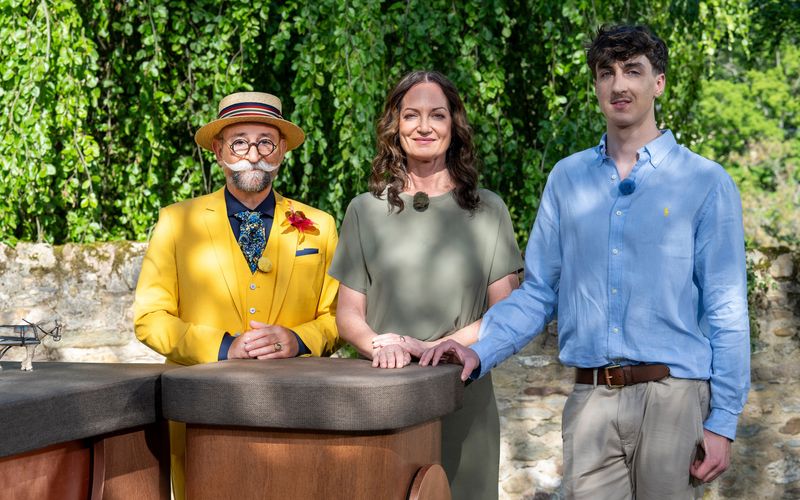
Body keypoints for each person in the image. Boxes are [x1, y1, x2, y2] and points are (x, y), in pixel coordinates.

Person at [422, 25, 750, 499]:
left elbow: (726, 308)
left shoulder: (705, 182)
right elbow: (538, 292)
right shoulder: (567, 179)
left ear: (658, 82)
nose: (619, 85)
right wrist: (480, 348)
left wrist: (723, 421)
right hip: (591, 399)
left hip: (674, 399)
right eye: (606, 73)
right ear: (596, 85)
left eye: (633, 71)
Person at [134, 91, 340, 499]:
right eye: (239, 142)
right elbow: (150, 317)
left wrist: (298, 339)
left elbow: (337, 317)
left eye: (265, 141)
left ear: (281, 150)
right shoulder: (176, 221)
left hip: (292, 412)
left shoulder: (320, 225)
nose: (253, 154)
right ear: (218, 150)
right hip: (199, 411)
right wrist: (224, 347)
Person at [328, 70, 523, 500]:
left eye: (437, 115)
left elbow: (504, 313)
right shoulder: (363, 211)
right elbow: (347, 315)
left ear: (454, 126)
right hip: (383, 397)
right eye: (411, 115)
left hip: (461, 393)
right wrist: (384, 345)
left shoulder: (489, 210)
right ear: (394, 127)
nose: (424, 126)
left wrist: (444, 347)